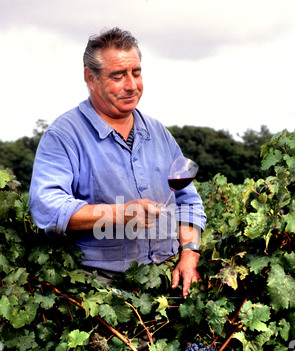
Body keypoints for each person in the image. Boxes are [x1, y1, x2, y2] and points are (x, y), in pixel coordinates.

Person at [29, 27, 206, 299]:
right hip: (98, 290)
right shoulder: (64, 135)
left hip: (164, 283)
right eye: (118, 75)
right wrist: (118, 214)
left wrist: (189, 253)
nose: (131, 85)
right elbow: (46, 207)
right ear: (91, 78)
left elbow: (188, 201)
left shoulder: (159, 134)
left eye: (136, 72)